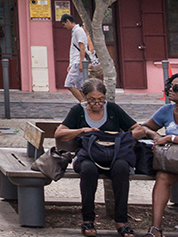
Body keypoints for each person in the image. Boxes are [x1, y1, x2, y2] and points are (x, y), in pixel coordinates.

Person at [54, 78, 142, 237]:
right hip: (88, 156)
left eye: (100, 100)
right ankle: (88, 220)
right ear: (84, 96)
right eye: (92, 100)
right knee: (88, 170)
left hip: (114, 155)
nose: (97, 103)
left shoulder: (113, 110)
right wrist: (82, 131)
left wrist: (119, 136)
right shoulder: (78, 111)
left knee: (122, 168)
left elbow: (139, 130)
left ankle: (121, 221)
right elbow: (59, 133)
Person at [138, 72, 178, 237]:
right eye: (169, 87)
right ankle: (155, 229)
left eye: (175, 87)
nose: (170, 90)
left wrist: (171, 137)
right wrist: (155, 136)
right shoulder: (166, 110)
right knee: (162, 177)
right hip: (173, 161)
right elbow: (144, 127)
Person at [61, 13, 92, 102]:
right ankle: (86, 101)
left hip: (78, 61)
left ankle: (83, 102)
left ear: (68, 21)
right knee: (80, 86)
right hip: (76, 61)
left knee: (69, 83)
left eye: (64, 24)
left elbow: (82, 46)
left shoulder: (78, 30)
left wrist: (81, 62)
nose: (64, 27)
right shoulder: (75, 31)